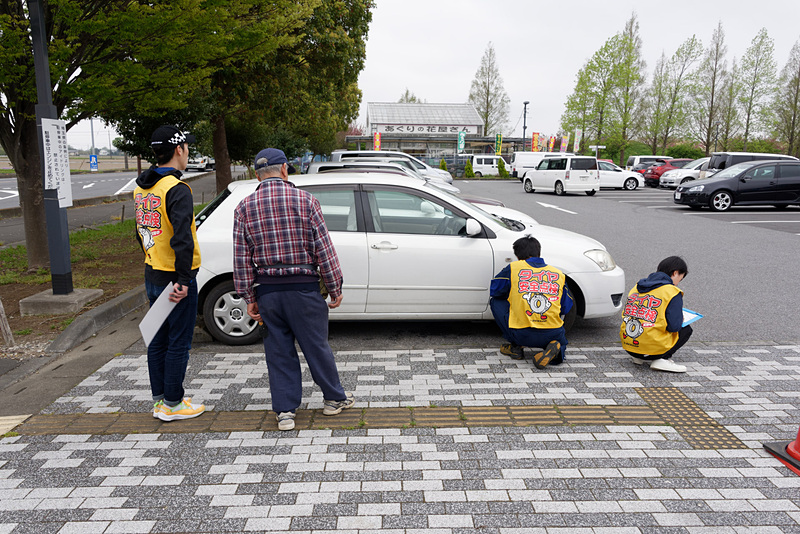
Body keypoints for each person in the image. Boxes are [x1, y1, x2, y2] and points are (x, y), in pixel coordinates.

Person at [232, 148, 354, 431]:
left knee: (278, 351)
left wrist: (248, 296)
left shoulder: (243, 208)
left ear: (256, 175)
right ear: (285, 169)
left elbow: (241, 258)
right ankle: (333, 400)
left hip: (268, 293)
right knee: (316, 346)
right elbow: (324, 250)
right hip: (304, 289)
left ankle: (285, 412)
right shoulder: (307, 201)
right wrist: (335, 286)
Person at [134, 125, 205, 421]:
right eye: (187, 147)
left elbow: (139, 232)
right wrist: (184, 280)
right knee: (178, 341)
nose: (188, 152)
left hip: (153, 272)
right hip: (175, 279)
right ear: (179, 149)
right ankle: (174, 404)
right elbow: (182, 239)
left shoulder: (141, 187)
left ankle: (160, 399)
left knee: (157, 339)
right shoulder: (177, 189)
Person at [490, 235, 572, 368]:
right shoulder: (558, 274)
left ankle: (515, 347)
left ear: (518, 256)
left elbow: (495, 291)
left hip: (522, 334)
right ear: (539, 252)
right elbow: (566, 308)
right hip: (553, 332)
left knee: (496, 301)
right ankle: (556, 350)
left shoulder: (514, 268)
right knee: (561, 342)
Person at [620, 256, 692, 373]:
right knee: (686, 329)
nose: (678, 283)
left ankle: (639, 357)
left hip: (629, 346)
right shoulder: (672, 292)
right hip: (652, 350)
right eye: (680, 279)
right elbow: (674, 326)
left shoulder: (637, 287)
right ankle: (661, 358)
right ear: (675, 273)